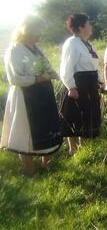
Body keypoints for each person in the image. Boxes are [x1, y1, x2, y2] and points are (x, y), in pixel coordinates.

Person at [1, 16, 62, 175]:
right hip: (24, 97)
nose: (40, 33)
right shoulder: (15, 50)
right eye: (37, 30)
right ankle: (29, 168)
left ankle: (46, 164)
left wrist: (53, 74)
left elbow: (46, 67)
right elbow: (14, 78)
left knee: (46, 127)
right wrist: (37, 78)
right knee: (25, 132)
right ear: (27, 30)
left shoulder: (37, 49)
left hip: (42, 95)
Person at [60, 13, 101, 155]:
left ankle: (83, 149)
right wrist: (71, 86)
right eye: (88, 24)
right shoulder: (72, 43)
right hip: (78, 84)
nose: (91, 27)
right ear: (80, 27)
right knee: (75, 115)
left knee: (88, 116)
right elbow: (66, 67)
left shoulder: (87, 44)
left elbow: (94, 66)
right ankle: (73, 149)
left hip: (90, 83)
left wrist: (99, 81)